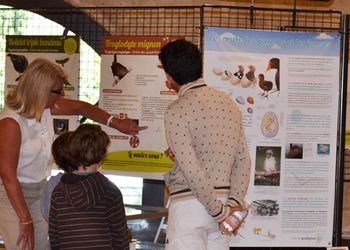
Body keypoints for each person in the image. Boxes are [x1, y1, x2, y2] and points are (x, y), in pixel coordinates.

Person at [0, 57, 146, 250]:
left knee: (43, 246)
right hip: (14, 195)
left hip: (40, 189)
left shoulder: (45, 106)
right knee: (22, 246)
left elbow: (80, 107)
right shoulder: (11, 123)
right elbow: (8, 176)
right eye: (58, 90)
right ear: (41, 90)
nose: (61, 94)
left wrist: (115, 122)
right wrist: (25, 220)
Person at [158, 38, 251, 250]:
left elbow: (192, 171)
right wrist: (232, 205)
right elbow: (243, 160)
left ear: (169, 76)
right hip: (224, 202)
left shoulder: (176, 110)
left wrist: (219, 211)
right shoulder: (228, 104)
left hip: (190, 207)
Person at [48, 124, 129, 249]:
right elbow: (120, 237)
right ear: (102, 156)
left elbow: (54, 236)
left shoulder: (58, 192)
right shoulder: (110, 191)